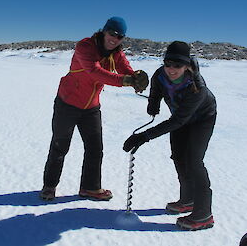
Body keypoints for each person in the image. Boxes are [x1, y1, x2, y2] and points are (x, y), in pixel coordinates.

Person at [41, 17, 148, 201]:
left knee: (95, 148)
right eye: (112, 34)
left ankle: (90, 188)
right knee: (60, 146)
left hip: (91, 107)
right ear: (103, 32)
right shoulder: (85, 46)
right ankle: (49, 186)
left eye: (119, 36)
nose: (114, 39)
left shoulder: (117, 53)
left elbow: (125, 68)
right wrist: (125, 81)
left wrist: (135, 78)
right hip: (67, 103)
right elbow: (94, 71)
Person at [123, 41, 217, 230]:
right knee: (179, 158)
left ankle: (204, 213)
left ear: (187, 66)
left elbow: (177, 122)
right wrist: (153, 102)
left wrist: (143, 136)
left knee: (194, 160)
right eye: (168, 64)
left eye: (177, 65)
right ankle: (188, 199)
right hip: (180, 118)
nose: (171, 69)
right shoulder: (160, 74)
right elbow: (157, 88)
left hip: (202, 119)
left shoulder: (197, 87)